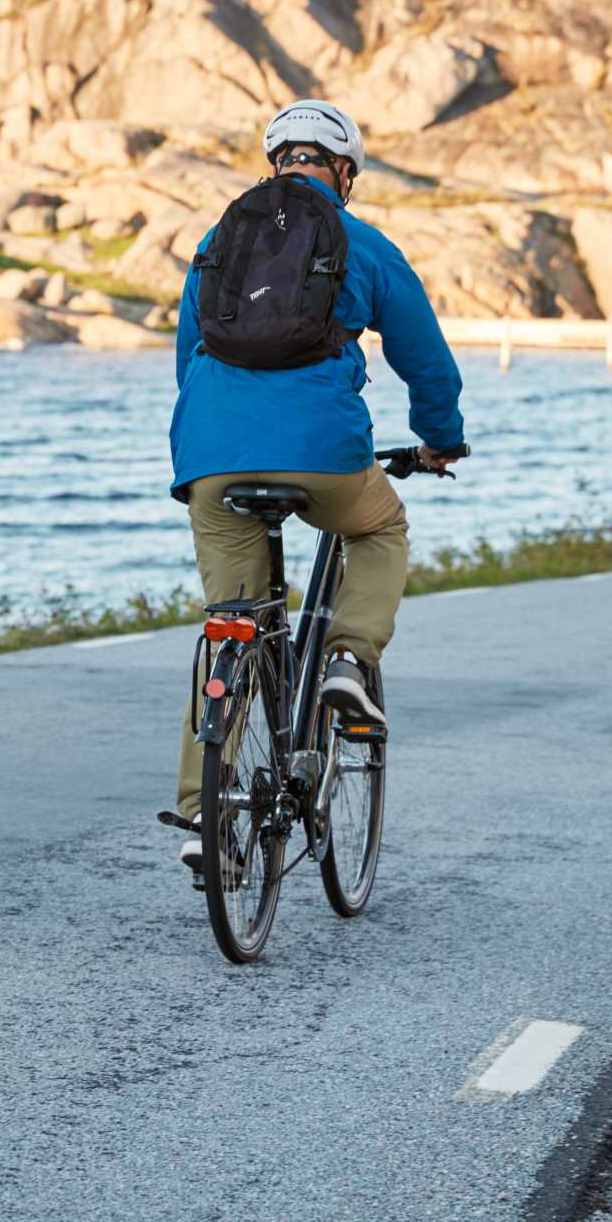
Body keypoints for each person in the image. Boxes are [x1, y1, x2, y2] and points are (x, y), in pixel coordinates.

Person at [165, 99, 466, 868]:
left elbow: (189, 351)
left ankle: (208, 816)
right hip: (325, 457)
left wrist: (206, 440)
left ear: (276, 161)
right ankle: (346, 661)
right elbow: (423, 355)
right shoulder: (361, 242)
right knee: (380, 526)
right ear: (345, 172)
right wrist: (440, 439)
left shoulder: (218, 237)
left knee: (230, 619)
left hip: (211, 455)